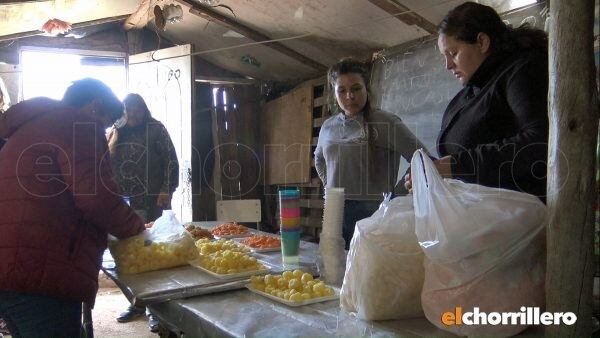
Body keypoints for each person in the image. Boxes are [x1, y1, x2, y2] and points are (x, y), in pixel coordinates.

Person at [0, 78, 146, 337]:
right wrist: (138, 230)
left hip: (13, 268)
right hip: (38, 271)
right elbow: (97, 198)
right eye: (106, 122)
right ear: (95, 107)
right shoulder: (79, 126)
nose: (103, 131)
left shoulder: (33, 126)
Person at [405, 2, 549, 201]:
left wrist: (454, 166)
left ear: (482, 42)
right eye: (444, 56)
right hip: (478, 210)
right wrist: (431, 170)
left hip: (515, 213)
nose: (447, 65)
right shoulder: (475, 87)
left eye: (453, 53)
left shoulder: (522, 70)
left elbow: (538, 142)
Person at [315, 57, 426, 248]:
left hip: (372, 211)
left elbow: (422, 158)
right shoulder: (328, 127)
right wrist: (330, 187)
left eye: (356, 88)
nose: (350, 96)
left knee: (366, 271)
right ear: (334, 94)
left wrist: (396, 194)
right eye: (342, 91)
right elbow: (319, 160)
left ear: (367, 88)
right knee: (333, 268)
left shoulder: (385, 122)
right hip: (334, 210)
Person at [108, 93, 179, 332]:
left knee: (152, 255)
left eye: (136, 110)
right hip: (124, 201)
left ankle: (155, 310)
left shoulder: (155, 129)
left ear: (144, 109)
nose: (132, 115)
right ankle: (137, 303)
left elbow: (171, 160)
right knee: (129, 255)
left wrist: (166, 189)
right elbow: (105, 160)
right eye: (128, 110)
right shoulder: (116, 129)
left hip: (152, 200)